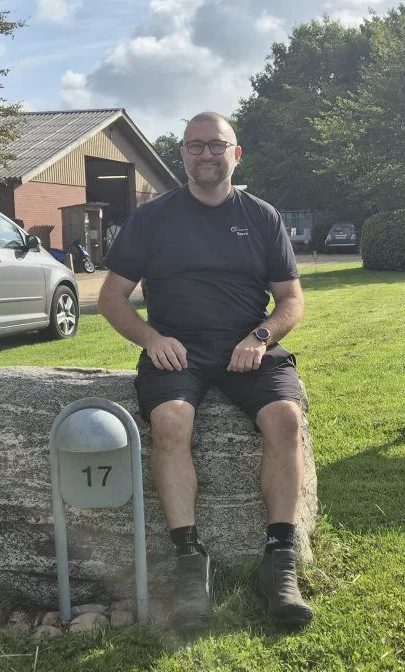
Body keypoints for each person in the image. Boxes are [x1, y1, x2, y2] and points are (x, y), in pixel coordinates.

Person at [97, 111, 313, 632]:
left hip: (247, 347)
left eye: (217, 146)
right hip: (177, 349)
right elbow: (110, 298)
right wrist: (151, 338)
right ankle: (190, 563)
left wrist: (260, 338)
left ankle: (279, 562)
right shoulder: (152, 218)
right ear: (183, 156)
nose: (206, 155)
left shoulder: (262, 216)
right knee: (171, 421)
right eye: (195, 147)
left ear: (236, 154)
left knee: (285, 418)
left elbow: (290, 300)